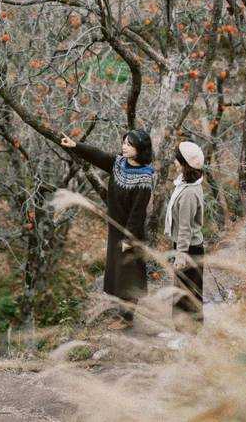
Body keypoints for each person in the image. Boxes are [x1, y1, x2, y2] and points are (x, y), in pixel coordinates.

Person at [61, 129, 154, 327]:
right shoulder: (118, 164)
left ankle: (127, 318)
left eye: (129, 144)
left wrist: (129, 240)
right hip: (115, 229)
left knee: (128, 274)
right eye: (124, 143)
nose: (124, 147)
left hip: (130, 233)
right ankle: (121, 313)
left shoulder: (145, 178)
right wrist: (76, 145)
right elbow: (98, 155)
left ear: (140, 149)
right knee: (116, 272)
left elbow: (138, 214)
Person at [164, 140, 205, 332]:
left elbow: (185, 227)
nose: (174, 162)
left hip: (188, 248)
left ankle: (188, 335)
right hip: (187, 247)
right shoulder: (186, 185)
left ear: (183, 163)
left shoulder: (188, 192)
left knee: (186, 293)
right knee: (186, 291)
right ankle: (186, 332)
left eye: (177, 159)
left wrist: (180, 254)